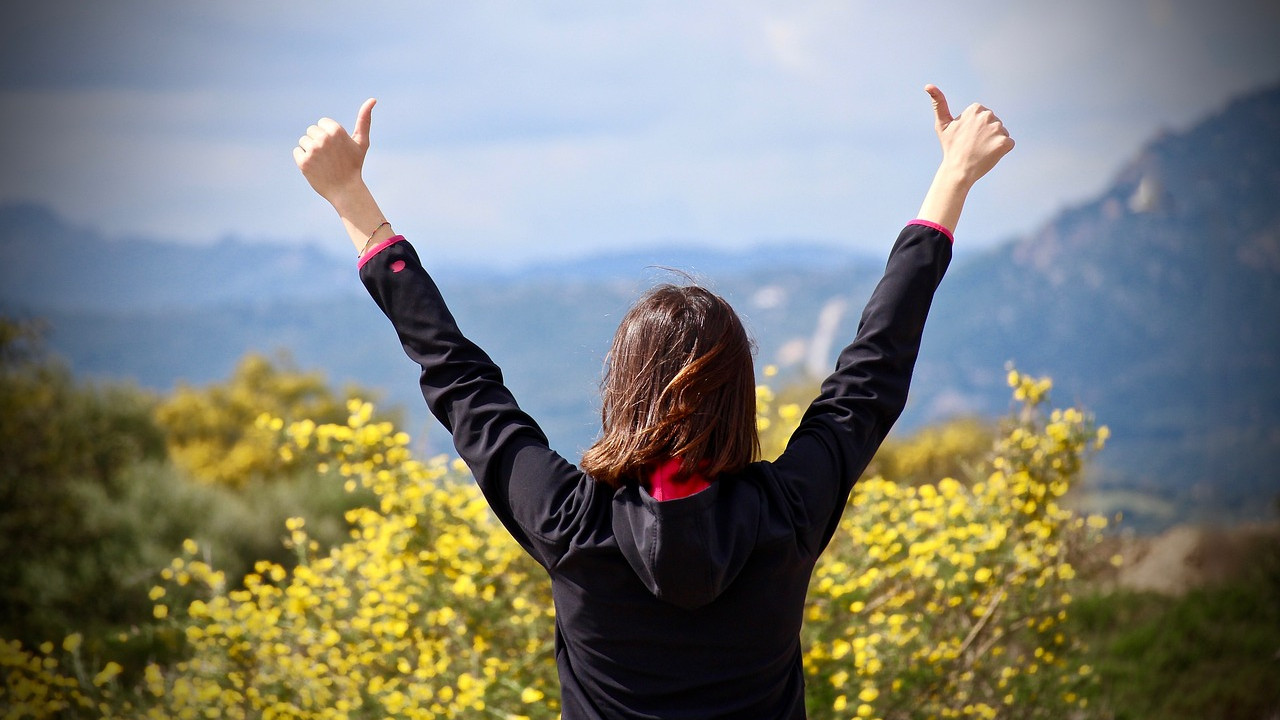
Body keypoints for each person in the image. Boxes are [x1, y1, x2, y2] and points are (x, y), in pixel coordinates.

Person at [294, 84, 1013, 719]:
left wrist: (350, 199)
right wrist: (953, 178)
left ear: (622, 389)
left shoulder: (571, 522)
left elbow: (457, 377)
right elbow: (875, 368)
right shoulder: (785, 513)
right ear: (740, 395)